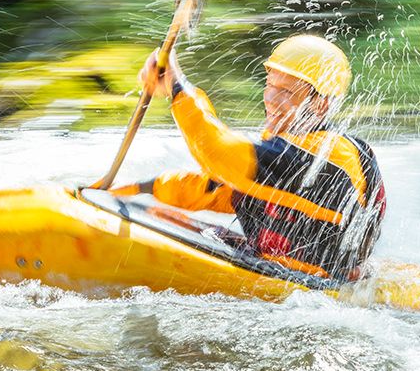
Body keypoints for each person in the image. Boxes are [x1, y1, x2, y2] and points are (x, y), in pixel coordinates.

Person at [111, 34, 386, 281]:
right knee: (166, 217)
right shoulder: (287, 147)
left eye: (286, 92)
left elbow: (219, 154)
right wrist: (135, 191)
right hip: (278, 270)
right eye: (270, 85)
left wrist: (176, 84)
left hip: (317, 291)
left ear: (321, 104)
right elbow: (218, 189)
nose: (270, 98)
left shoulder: (329, 157)